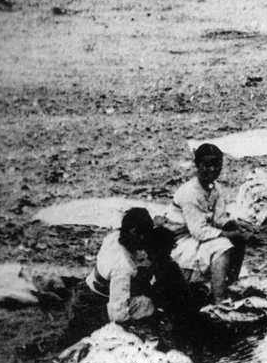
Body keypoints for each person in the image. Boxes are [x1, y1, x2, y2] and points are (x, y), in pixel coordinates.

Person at [61, 208, 159, 344]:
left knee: (143, 275)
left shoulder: (114, 236)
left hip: (87, 287)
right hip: (93, 305)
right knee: (146, 304)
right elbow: (117, 313)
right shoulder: (123, 267)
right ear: (138, 235)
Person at [167, 143, 246, 302]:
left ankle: (229, 283)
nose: (212, 169)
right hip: (179, 240)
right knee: (222, 247)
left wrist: (235, 226)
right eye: (207, 165)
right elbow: (199, 230)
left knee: (239, 240)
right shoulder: (190, 191)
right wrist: (228, 234)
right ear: (197, 165)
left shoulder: (214, 188)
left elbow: (218, 218)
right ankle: (219, 300)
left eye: (217, 164)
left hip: (196, 234)